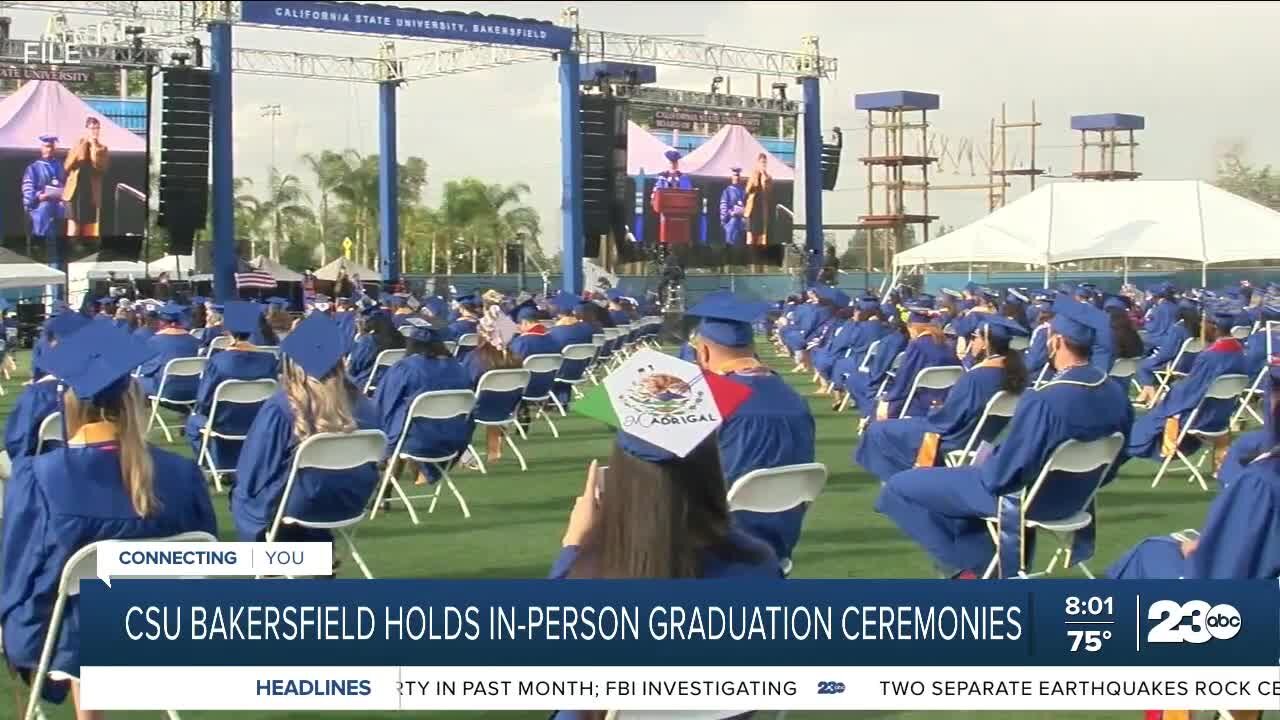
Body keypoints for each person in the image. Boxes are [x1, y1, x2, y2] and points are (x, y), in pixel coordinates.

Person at [0, 323, 216, 714]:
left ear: (69, 402)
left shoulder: (39, 477)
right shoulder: (182, 475)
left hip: (68, 638)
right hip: (161, 626)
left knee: (61, 600)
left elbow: (18, 572)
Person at [875, 296, 1133, 578]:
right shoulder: (1115, 393)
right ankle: (979, 559)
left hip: (1024, 497)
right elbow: (1114, 462)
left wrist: (983, 465)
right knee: (949, 497)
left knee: (898, 488)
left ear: (1056, 341)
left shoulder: (1047, 398)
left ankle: (965, 569)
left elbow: (1002, 476)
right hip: (1076, 499)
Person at [686, 293, 816, 564]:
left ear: (704, 352)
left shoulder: (711, 400)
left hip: (716, 542)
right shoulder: (795, 400)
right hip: (779, 543)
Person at [231, 313, 380, 543]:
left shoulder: (283, 406)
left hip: (302, 503)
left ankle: (283, 559)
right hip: (353, 500)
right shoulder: (364, 405)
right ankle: (318, 552)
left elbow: (255, 470)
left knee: (244, 495)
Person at [1107, 381, 1279, 580]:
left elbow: (1224, 571)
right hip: (1217, 421)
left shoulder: (1261, 482)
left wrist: (1200, 551)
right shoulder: (1236, 359)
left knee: (1149, 553)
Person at [856, 315, 1029, 484]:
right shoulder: (1015, 375)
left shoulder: (977, 377)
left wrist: (936, 409)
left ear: (985, 343)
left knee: (878, 430)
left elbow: (946, 422)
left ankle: (901, 483)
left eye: (975, 337)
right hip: (984, 438)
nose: (972, 342)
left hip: (953, 438)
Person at [1122, 306, 1247, 466]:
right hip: (1222, 417)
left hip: (1199, 417)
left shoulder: (1210, 356)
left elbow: (1191, 391)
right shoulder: (1240, 353)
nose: (1202, 328)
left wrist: (1173, 391)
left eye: (1204, 324)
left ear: (1213, 326)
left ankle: (1127, 449)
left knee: (1146, 426)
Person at [374, 321, 475, 486]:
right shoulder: (459, 368)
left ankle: (384, 486)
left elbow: (383, 402)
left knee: (397, 417)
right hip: (453, 440)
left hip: (417, 441)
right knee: (405, 416)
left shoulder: (406, 368)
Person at [182, 301, 280, 464]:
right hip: (259, 420)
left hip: (224, 423)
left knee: (193, 423)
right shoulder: (269, 360)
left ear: (226, 329)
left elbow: (204, 402)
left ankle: (215, 463)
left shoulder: (218, 361)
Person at [4, 312, 89, 461]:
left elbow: (18, 446)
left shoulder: (39, 395)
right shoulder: (104, 391)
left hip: (45, 472)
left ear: (52, 344)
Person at [873, 311, 962, 422]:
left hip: (920, 404)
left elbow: (904, 379)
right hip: (946, 402)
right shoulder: (946, 345)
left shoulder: (917, 345)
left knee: (878, 410)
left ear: (912, 327)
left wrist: (887, 398)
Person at [1134, 304, 1199, 406]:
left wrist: (1156, 358)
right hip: (1190, 365)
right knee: (1149, 365)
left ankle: (1152, 398)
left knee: (1143, 365)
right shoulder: (1197, 331)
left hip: (1176, 365)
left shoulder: (1178, 329)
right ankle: (1144, 396)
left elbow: (1167, 353)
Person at [135, 302, 201, 401]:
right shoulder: (193, 340)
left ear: (161, 322)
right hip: (194, 389)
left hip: (167, 390)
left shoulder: (155, 340)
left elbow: (147, 370)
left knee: (135, 381)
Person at [64, 117, 110, 239]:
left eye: (97, 128)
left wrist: (94, 146)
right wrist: (83, 144)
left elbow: (100, 166)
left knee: (89, 231)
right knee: (73, 228)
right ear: (86, 129)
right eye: (92, 128)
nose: (95, 131)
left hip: (91, 194)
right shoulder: (78, 145)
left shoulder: (102, 149)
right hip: (75, 192)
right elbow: (67, 166)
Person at [21, 134, 67, 252]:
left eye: (51, 146)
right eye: (46, 146)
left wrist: (63, 193)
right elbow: (28, 188)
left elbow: (66, 183)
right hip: (40, 206)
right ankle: (39, 246)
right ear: (41, 148)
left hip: (58, 205)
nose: (49, 149)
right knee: (44, 210)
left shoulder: (61, 166)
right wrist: (38, 196)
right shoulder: (33, 168)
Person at [347, 309, 404, 392]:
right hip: (393, 379)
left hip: (369, 380)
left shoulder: (369, 341)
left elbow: (354, 368)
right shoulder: (401, 338)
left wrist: (362, 334)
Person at [744, 152, 773, 246]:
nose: (763, 164)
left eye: (765, 162)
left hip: (761, 210)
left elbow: (769, 191)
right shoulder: (753, 175)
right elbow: (747, 190)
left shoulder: (768, 177)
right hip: (752, 211)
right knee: (750, 236)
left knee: (761, 237)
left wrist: (764, 175)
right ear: (758, 163)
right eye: (761, 162)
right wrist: (756, 175)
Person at [718, 166, 746, 246]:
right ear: (731, 177)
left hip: (741, 224)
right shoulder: (727, 191)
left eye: (737, 175)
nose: (736, 177)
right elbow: (723, 205)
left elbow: (746, 204)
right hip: (731, 222)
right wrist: (724, 219)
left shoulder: (743, 191)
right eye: (734, 175)